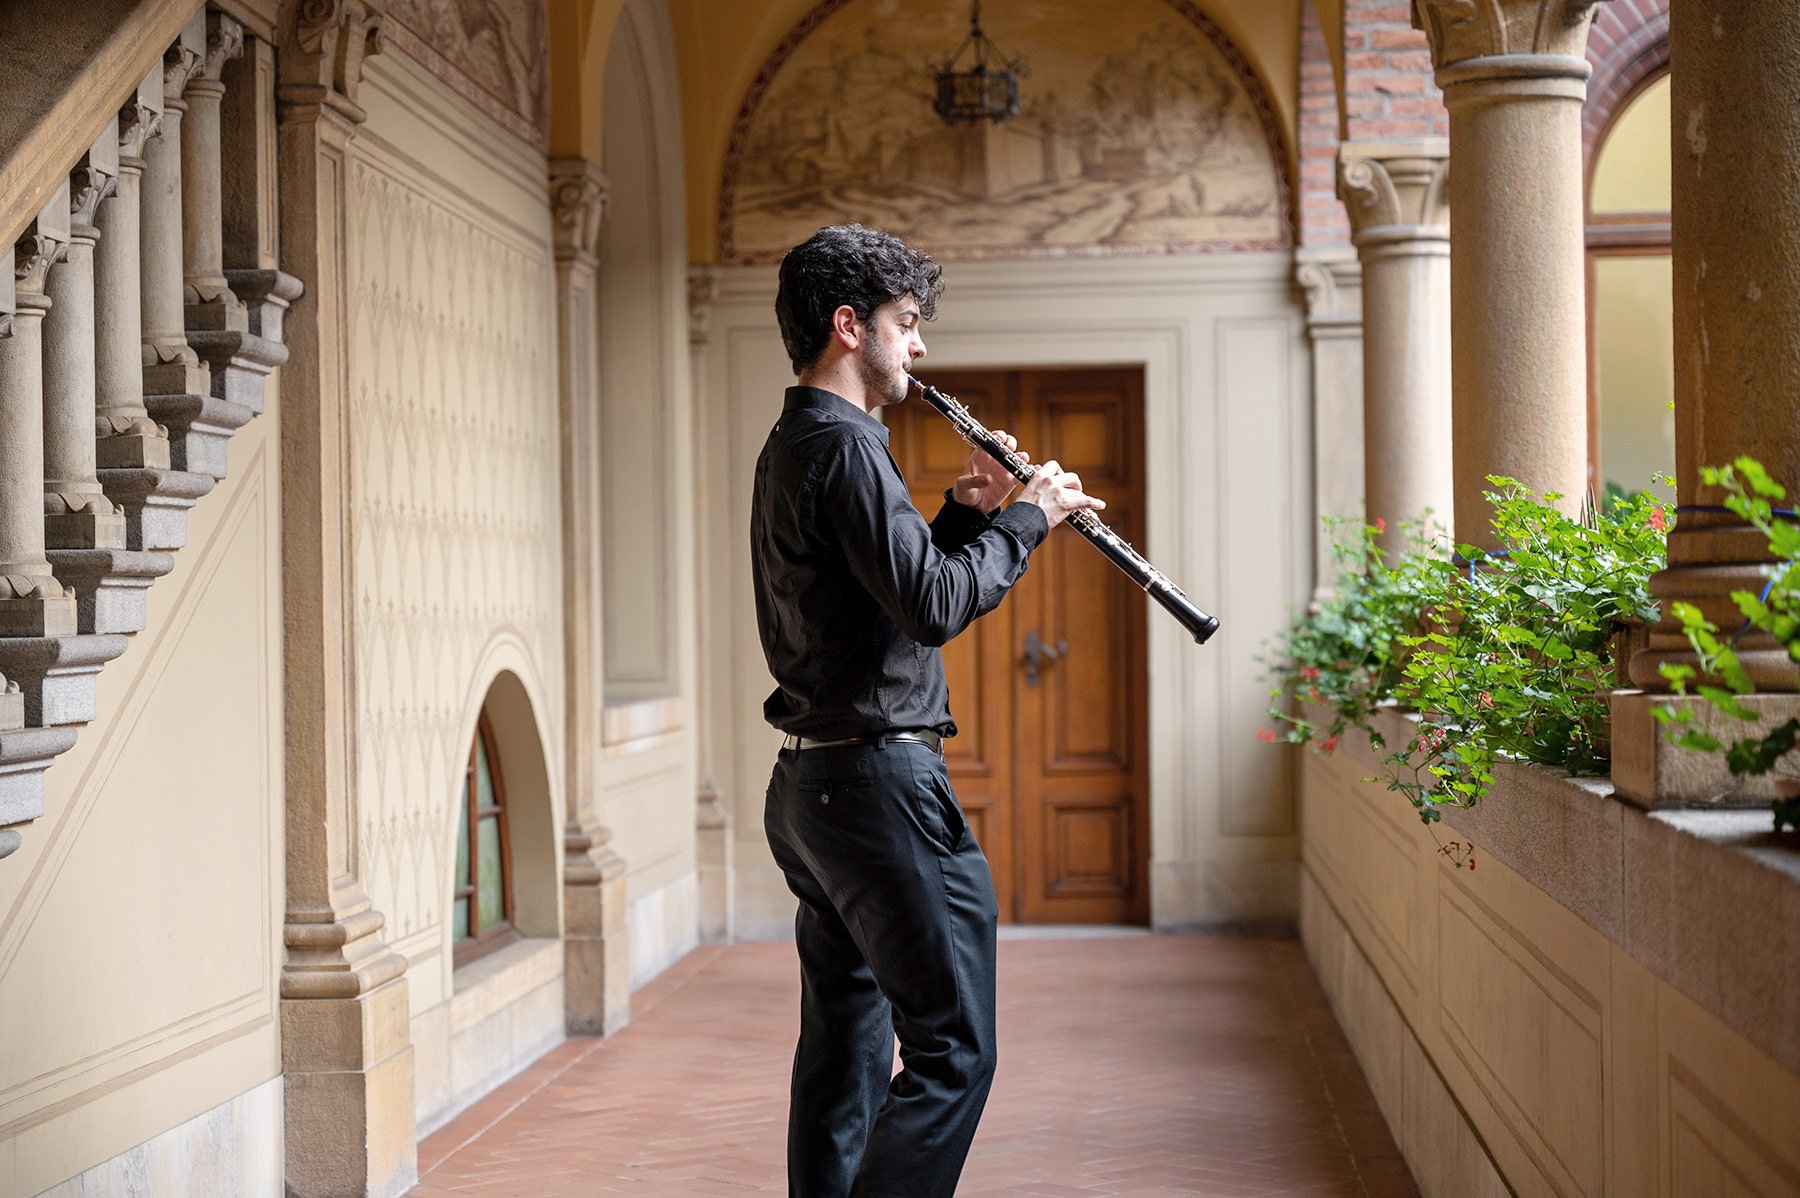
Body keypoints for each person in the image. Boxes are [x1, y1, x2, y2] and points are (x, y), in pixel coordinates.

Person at [751, 223, 1104, 1197]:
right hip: (877, 789)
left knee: (847, 1043)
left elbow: (874, 603)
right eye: (906, 322)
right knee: (954, 1051)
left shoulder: (795, 444)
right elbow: (936, 606)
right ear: (848, 325)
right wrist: (1030, 517)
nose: (918, 344)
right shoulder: (848, 447)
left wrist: (964, 515)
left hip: (814, 788)